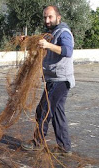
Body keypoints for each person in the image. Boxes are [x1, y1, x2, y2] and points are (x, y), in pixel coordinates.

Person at [21, 5, 75, 156]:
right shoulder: (50, 33)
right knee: (57, 113)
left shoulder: (64, 32)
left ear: (58, 17)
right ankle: (65, 147)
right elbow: (39, 41)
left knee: (43, 110)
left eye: (50, 17)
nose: (47, 20)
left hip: (60, 79)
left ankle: (38, 142)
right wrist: (27, 40)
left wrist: (49, 45)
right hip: (55, 79)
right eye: (45, 17)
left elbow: (67, 51)